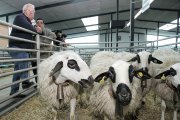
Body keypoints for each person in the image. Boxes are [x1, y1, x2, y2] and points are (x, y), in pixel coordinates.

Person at [9, 3, 42, 98]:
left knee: (17, 70)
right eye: (31, 10)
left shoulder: (29, 22)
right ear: (25, 11)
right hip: (16, 47)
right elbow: (31, 29)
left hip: (21, 48)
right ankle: (25, 81)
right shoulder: (19, 17)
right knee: (24, 57)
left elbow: (41, 32)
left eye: (33, 11)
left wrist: (37, 29)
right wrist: (36, 29)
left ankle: (14, 92)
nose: (33, 12)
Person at [31, 18, 56, 83]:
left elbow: (54, 35)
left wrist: (43, 42)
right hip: (34, 56)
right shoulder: (33, 30)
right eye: (38, 22)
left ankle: (44, 85)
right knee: (36, 73)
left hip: (44, 56)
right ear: (36, 24)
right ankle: (38, 85)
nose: (39, 24)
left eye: (41, 22)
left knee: (44, 72)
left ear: (43, 24)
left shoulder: (47, 31)